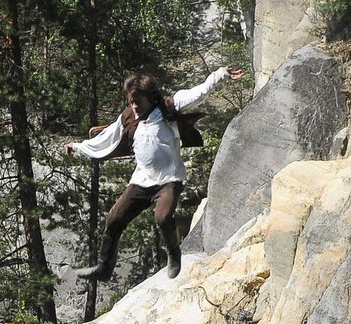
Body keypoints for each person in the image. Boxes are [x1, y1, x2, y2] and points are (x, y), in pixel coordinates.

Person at [66, 66, 246, 281]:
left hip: (169, 181)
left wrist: (220, 74)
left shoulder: (169, 108)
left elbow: (200, 92)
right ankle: (104, 268)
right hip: (141, 182)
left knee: (162, 216)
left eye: (138, 102)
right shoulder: (128, 118)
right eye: (131, 102)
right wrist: (77, 146)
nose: (134, 106)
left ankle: (173, 254)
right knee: (114, 218)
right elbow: (105, 138)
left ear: (150, 98)